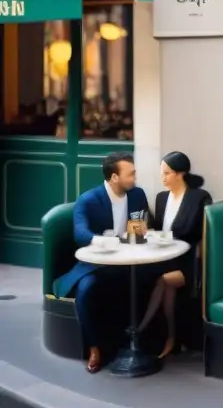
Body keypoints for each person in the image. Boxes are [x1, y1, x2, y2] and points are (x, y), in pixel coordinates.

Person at [52, 152, 151, 373]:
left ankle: (139, 343)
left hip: (130, 262)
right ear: (114, 177)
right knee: (86, 290)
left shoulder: (137, 195)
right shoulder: (89, 199)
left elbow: (144, 223)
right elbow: (80, 233)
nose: (135, 178)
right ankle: (94, 348)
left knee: (152, 279)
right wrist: (106, 241)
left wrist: (143, 231)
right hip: (97, 264)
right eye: (130, 174)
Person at [139, 152, 212, 359]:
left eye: (167, 173)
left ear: (180, 174)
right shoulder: (161, 198)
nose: (162, 178)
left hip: (189, 262)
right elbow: (157, 228)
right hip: (164, 258)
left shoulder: (199, 198)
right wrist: (148, 229)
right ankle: (165, 338)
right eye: (161, 173)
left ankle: (143, 331)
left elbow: (196, 233)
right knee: (145, 276)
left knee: (165, 281)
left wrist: (161, 235)